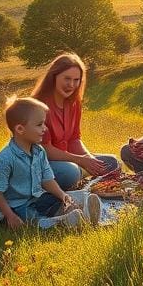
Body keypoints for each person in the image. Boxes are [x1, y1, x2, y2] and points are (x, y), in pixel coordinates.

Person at [0, 96, 102, 229]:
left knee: (60, 198)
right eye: (39, 125)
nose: (45, 128)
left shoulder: (39, 151)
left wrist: (62, 195)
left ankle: (77, 208)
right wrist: (10, 216)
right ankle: (60, 222)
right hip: (15, 207)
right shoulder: (4, 159)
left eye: (44, 123)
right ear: (20, 129)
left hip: (36, 198)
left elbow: (47, 180)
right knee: (32, 216)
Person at [31, 53, 119, 190]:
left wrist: (89, 158)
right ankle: (72, 180)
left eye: (76, 80)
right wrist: (80, 160)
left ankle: (82, 178)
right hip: (40, 164)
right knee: (70, 172)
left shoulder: (74, 103)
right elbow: (45, 150)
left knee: (112, 163)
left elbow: (74, 139)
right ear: (54, 77)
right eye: (67, 79)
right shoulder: (38, 105)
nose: (71, 85)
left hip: (68, 159)